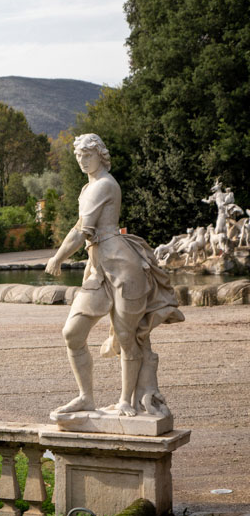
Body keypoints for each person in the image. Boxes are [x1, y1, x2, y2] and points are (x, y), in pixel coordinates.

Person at [45, 134, 184, 418]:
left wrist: (58, 257)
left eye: (87, 155)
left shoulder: (105, 185)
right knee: (72, 333)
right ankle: (86, 397)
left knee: (126, 336)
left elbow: (81, 231)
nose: (82, 161)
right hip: (97, 269)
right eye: (78, 156)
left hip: (122, 267)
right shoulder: (88, 188)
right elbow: (79, 225)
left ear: (100, 155)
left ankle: (126, 401)